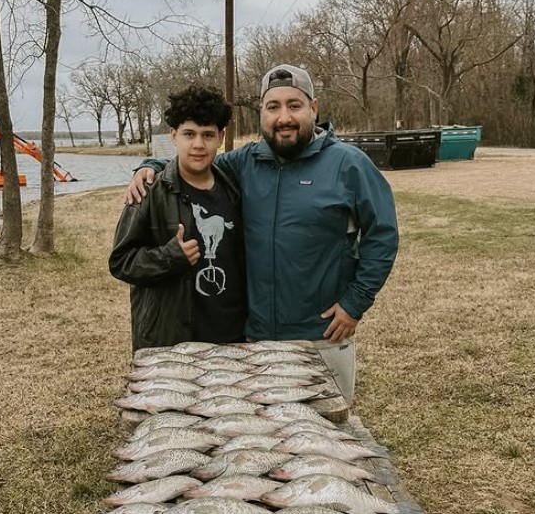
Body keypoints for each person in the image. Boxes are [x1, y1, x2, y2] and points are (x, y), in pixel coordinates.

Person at [126, 64, 399, 405]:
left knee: (329, 431)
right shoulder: (245, 162)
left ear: (313, 108)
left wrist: (355, 304)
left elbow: (383, 235)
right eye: (273, 107)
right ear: (261, 114)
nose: (284, 117)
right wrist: (150, 166)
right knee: (270, 442)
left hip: (322, 336)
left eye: (294, 105)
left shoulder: (349, 165)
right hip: (255, 341)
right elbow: (195, 159)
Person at [109, 85, 246, 350]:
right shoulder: (149, 191)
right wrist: (170, 257)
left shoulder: (235, 188)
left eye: (207, 135)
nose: (198, 144)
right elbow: (121, 261)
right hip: (172, 340)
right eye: (189, 134)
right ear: (174, 136)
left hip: (234, 339)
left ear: (221, 136)